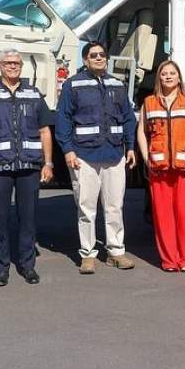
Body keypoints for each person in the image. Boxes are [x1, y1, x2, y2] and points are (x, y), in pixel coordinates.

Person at [0, 49, 54, 287]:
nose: (13, 66)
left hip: (29, 166)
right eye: (8, 63)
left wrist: (48, 163)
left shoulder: (34, 94)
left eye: (17, 63)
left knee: (28, 219)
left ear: (22, 66)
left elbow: (45, 130)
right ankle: (1, 268)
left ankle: (28, 266)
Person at [55, 41, 138, 274]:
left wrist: (130, 147)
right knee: (86, 208)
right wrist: (68, 150)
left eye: (102, 55)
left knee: (114, 207)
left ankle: (115, 252)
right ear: (85, 60)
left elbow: (128, 118)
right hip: (84, 156)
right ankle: (88, 254)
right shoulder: (73, 85)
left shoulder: (117, 84)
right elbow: (63, 119)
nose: (99, 58)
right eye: (94, 55)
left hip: (114, 154)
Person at [136, 60, 185, 272]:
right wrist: (147, 158)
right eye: (164, 73)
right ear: (159, 78)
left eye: (172, 73)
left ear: (179, 77)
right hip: (159, 168)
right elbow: (141, 132)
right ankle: (169, 260)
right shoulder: (149, 103)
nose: (168, 77)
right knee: (163, 215)